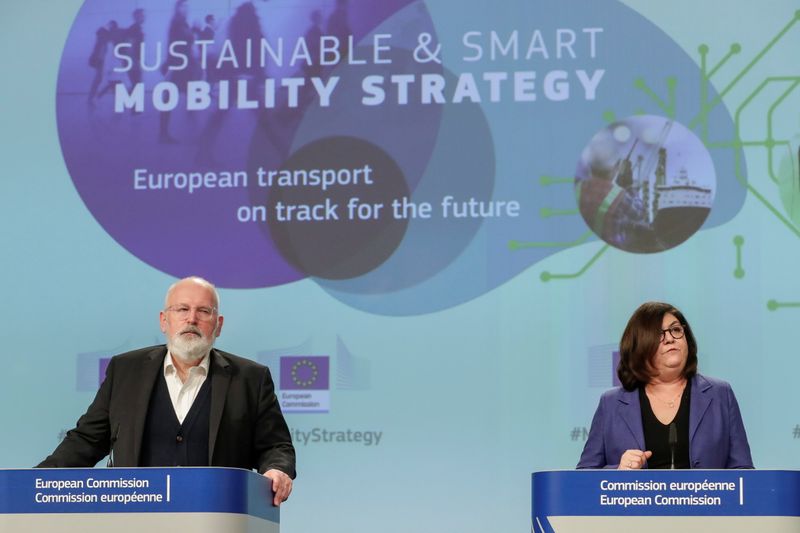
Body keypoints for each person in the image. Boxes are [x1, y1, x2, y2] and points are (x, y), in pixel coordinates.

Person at [38, 277, 295, 506]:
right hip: (136, 517)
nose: (191, 319)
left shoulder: (250, 378)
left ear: (218, 325)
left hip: (216, 516)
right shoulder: (126, 370)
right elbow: (87, 440)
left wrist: (277, 469)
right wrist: (34, 482)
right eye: (182, 309)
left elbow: (275, 445)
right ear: (164, 320)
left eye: (203, 311)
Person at [577, 301, 753, 469]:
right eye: (658, 334)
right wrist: (619, 470)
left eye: (676, 330)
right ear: (639, 345)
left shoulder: (720, 394)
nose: (670, 338)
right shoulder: (611, 403)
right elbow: (584, 475)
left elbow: (743, 471)